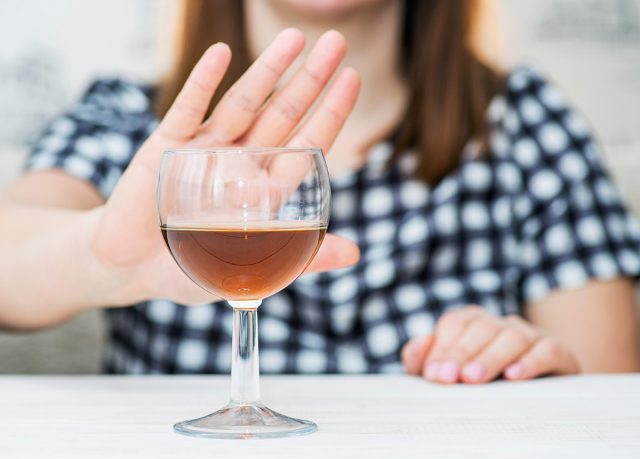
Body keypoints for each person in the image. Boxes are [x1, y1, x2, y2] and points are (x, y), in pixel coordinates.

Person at [1, 0, 639, 383]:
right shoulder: (125, 122)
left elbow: (612, 392)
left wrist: (530, 365)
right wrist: (98, 259)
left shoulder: (524, 124)